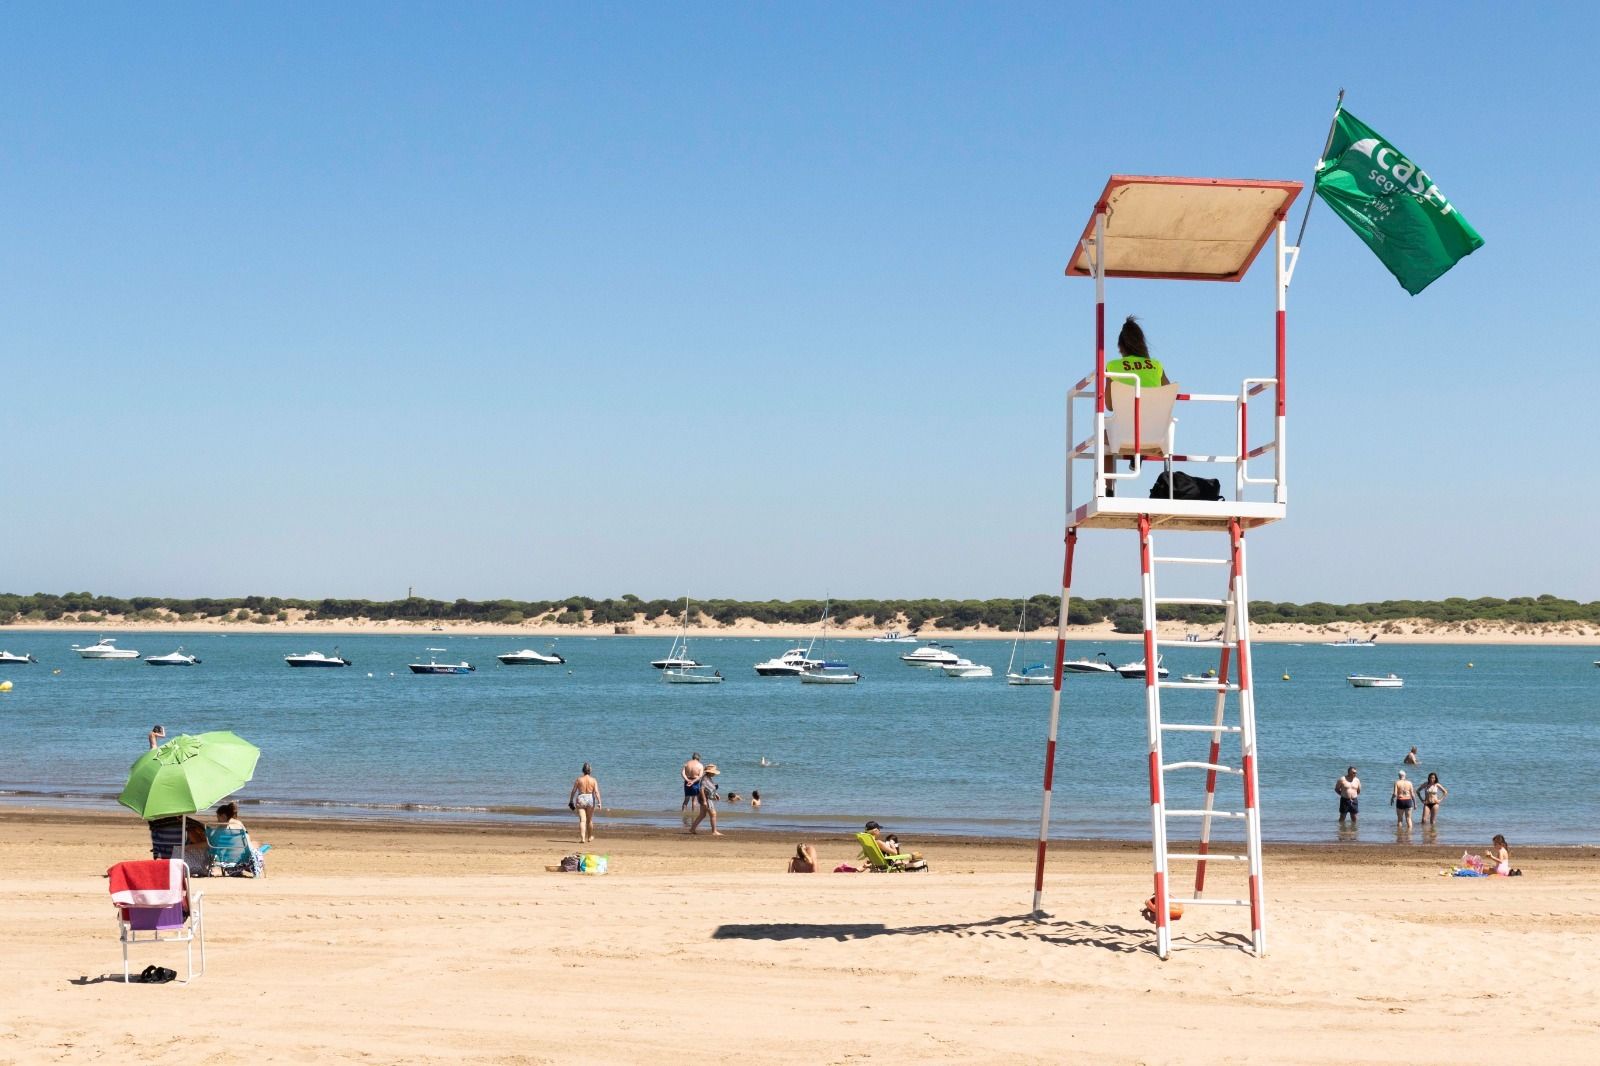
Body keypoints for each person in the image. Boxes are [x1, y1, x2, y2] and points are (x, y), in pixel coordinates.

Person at [1102, 316, 1171, 496]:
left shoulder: (1113, 366)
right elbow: (1169, 394)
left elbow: (1108, 405)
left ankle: (1108, 488)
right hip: (1156, 432)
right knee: (1140, 423)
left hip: (1125, 431)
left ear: (1121, 346)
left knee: (1103, 436)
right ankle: (1137, 455)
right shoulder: (1156, 366)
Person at [214, 801, 266, 877]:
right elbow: (247, 838)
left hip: (231, 865)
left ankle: (238, 870)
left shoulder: (219, 829)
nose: (217, 820)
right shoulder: (238, 824)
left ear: (224, 816)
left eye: (218, 817)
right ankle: (255, 869)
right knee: (254, 849)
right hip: (248, 860)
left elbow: (215, 845)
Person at [568, 762, 602, 844]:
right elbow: (596, 792)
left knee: (582, 820)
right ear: (590, 770)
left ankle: (582, 838)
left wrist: (571, 800)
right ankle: (590, 837)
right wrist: (599, 802)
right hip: (590, 798)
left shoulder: (579, 779)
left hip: (581, 798)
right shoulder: (593, 780)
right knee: (589, 820)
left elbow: (573, 791)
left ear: (583, 770)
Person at [689, 764, 723, 836]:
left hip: (705, 798)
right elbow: (701, 789)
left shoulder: (708, 778)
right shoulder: (705, 779)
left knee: (702, 815)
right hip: (706, 798)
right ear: (710, 772)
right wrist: (704, 801)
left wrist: (716, 794)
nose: (714, 774)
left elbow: (710, 788)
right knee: (713, 814)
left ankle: (692, 829)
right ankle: (714, 831)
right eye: (713, 772)